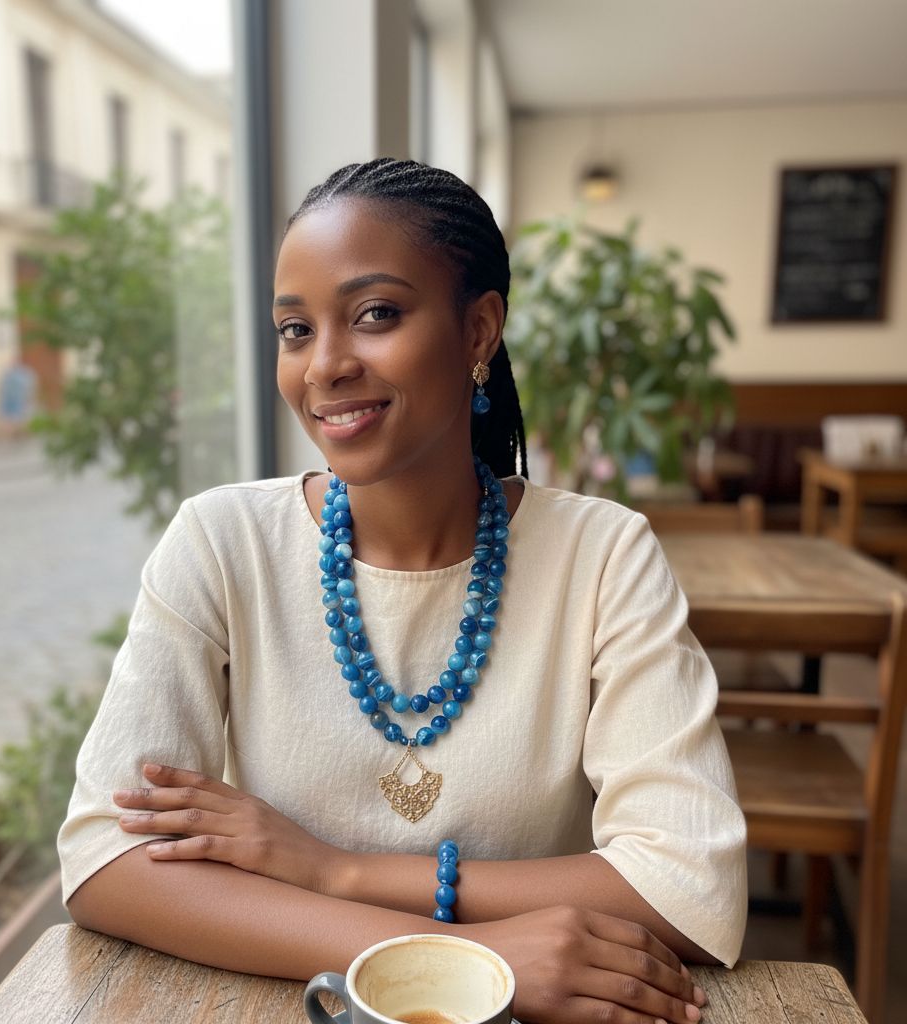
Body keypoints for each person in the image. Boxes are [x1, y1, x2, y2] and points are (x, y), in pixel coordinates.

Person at [58, 158, 746, 1024]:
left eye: (375, 314)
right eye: (295, 329)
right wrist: (463, 955)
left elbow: (694, 886)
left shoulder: (602, 554)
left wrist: (329, 870)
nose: (325, 365)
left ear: (478, 332)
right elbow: (104, 864)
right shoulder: (221, 541)